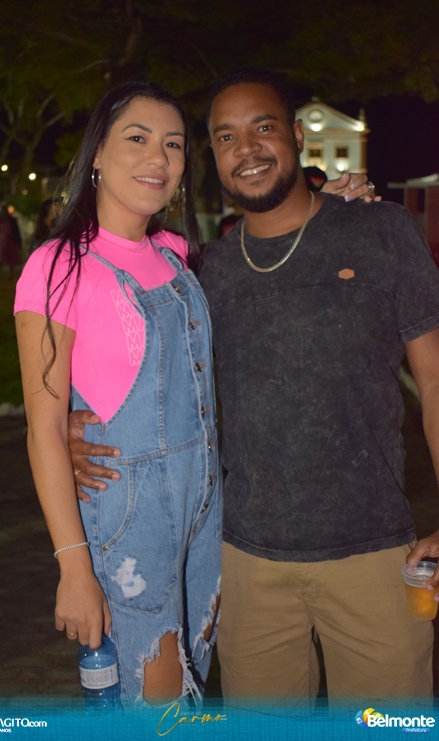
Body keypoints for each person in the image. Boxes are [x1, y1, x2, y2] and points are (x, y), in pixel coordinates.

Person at [70, 68, 439, 701]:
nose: (247, 148)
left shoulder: (381, 232)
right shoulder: (201, 272)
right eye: (225, 136)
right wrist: (73, 430)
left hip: (374, 556)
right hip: (245, 565)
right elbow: (141, 376)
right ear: (212, 156)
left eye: (263, 127)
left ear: (297, 136)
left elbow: (432, 380)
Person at [14, 81, 222, 705]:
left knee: (192, 690)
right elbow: (44, 427)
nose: (159, 157)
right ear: (97, 154)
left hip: (206, 511)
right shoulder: (58, 267)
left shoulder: (176, 253)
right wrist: (74, 567)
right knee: (153, 704)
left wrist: (335, 199)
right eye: (138, 138)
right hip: (132, 522)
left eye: (173, 144)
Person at [0, 205, 22, 277]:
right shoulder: (0, 220)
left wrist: (18, 241)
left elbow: (16, 231)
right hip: (3, 240)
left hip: (11, 240)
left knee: (11, 257)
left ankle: (11, 272)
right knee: (1, 256)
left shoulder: (12, 220)